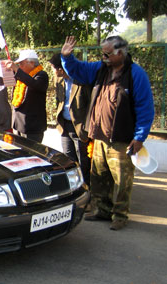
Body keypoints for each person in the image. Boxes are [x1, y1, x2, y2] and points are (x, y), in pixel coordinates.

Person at [61, 35, 155, 230]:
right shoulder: (100, 69)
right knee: (99, 177)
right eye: (102, 53)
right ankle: (102, 210)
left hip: (122, 140)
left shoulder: (136, 75)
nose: (103, 57)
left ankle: (120, 215)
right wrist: (67, 58)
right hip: (100, 137)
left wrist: (139, 137)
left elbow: (145, 108)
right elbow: (78, 71)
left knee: (122, 180)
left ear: (120, 53)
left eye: (107, 53)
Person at [49, 53, 92, 186]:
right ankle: (73, 186)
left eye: (53, 68)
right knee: (68, 158)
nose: (52, 71)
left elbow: (91, 104)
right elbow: (60, 100)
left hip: (80, 127)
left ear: (61, 69)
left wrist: (87, 127)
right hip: (64, 125)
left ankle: (86, 187)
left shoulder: (81, 80)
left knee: (83, 160)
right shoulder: (59, 81)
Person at [5, 50, 48, 143]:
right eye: (19, 65)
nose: (20, 67)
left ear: (32, 63)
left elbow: (34, 84)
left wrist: (17, 70)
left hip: (32, 127)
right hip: (19, 124)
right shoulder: (21, 76)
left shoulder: (41, 75)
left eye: (21, 64)